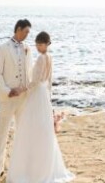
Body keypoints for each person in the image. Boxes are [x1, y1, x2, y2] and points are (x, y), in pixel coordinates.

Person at [6, 31, 75, 183]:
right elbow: (49, 81)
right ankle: (43, 166)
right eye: (36, 44)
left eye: (40, 44)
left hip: (38, 94)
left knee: (31, 128)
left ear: (46, 44)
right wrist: (49, 99)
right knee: (43, 129)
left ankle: (32, 170)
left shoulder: (41, 58)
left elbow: (35, 81)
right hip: (44, 94)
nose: (38, 47)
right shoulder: (49, 57)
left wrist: (22, 89)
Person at [0, 18, 34, 183]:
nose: (27, 35)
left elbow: (29, 72)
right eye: (26, 32)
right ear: (18, 29)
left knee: (22, 133)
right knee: (2, 133)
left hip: (24, 98)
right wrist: (8, 91)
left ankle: (20, 166)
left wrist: (29, 90)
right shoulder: (3, 48)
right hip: (8, 98)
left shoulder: (28, 48)